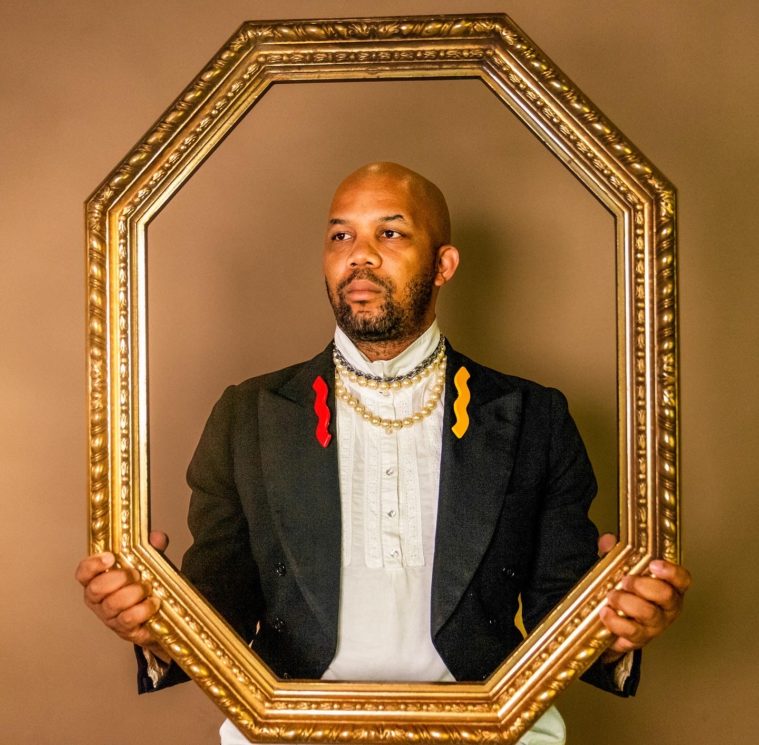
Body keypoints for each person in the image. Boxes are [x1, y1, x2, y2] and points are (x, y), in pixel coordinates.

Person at [77, 162, 691, 744]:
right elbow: (222, 609)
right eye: (341, 234)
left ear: (444, 263)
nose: (359, 254)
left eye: (390, 232)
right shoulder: (248, 415)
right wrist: (156, 626)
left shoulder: (534, 416)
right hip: (285, 731)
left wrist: (616, 630)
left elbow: (564, 607)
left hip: (496, 728)